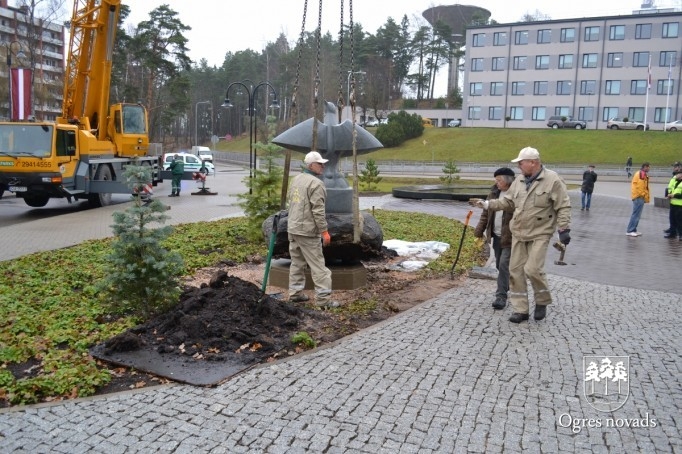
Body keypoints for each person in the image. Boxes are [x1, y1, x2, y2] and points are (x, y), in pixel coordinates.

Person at [469, 147, 571, 324]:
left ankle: (542, 301)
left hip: (540, 232)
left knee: (532, 269)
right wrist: (487, 204)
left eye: (521, 163)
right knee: (515, 271)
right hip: (519, 233)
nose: (519, 167)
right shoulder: (519, 181)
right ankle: (521, 309)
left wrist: (564, 229)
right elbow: (508, 202)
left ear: (533, 162)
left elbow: (563, 205)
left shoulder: (552, 180)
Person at [286, 151, 339, 309]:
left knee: (297, 263)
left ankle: (295, 295)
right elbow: (318, 211)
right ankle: (323, 301)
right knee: (319, 267)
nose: (323, 166)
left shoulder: (296, 180)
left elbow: (291, 203)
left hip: (293, 229)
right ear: (311, 166)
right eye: (319, 164)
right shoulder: (316, 184)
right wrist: (324, 232)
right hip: (308, 232)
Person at [473, 167, 515, 310]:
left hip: (511, 237)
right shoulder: (493, 192)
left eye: (499, 180)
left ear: (508, 180)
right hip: (496, 236)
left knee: (503, 264)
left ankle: (501, 296)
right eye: (496, 180)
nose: (497, 183)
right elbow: (486, 213)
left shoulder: (516, 194)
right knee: (499, 265)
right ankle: (507, 285)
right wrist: (479, 231)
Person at [626, 162, 650, 237]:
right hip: (639, 197)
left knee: (637, 214)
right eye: (648, 167)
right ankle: (630, 230)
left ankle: (633, 229)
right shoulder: (641, 174)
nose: (649, 169)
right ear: (645, 167)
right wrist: (643, 195)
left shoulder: (640, 173)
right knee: (636, 214)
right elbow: (640, 186)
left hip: (638, 196)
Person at [664, 161, 681, 237]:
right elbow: (671, 187)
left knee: (679, 221)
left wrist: (673, 195)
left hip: (679, 204)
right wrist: (668, 194)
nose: (674, 168)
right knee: (673, 219)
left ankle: (679, 234)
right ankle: (673, 232)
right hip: (673, 202)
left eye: (675, 167)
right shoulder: (675, 178)